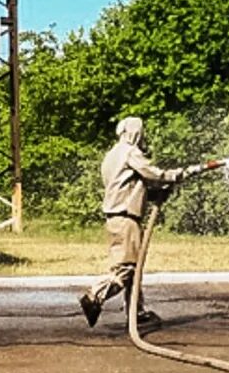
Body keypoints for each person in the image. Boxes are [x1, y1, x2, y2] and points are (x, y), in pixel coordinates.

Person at [79, 116, 214, 328]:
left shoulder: (112, 155)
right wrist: (176, 175)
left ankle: (137, 313)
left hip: (116, 218)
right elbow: (153, 173)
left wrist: (154, 192)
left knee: (134, 269)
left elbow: (129, 186)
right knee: (126, 269)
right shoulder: (130, 152)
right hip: (126, 219)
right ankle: (95, 295)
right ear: (135, 133)